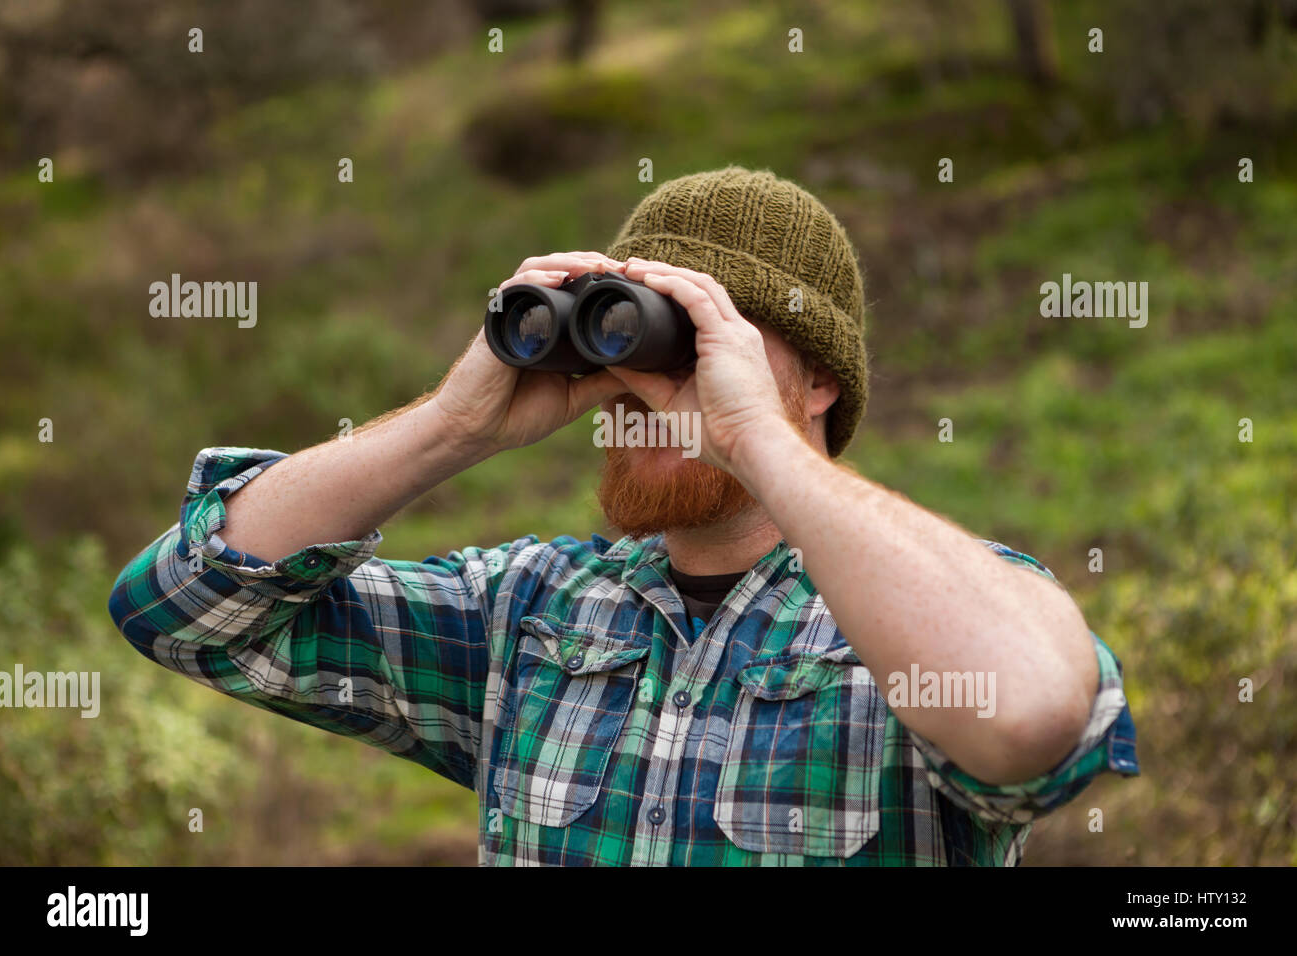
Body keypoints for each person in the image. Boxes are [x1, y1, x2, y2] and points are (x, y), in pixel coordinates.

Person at [109, 166, 1139, 865]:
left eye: (696, 340)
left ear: (819, 381)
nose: (649, 384)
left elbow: (1030, 716)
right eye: (625, 337)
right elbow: (181, 606)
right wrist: (450, 426)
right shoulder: (530, 612)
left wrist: (755, 439)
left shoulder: (921, 618)